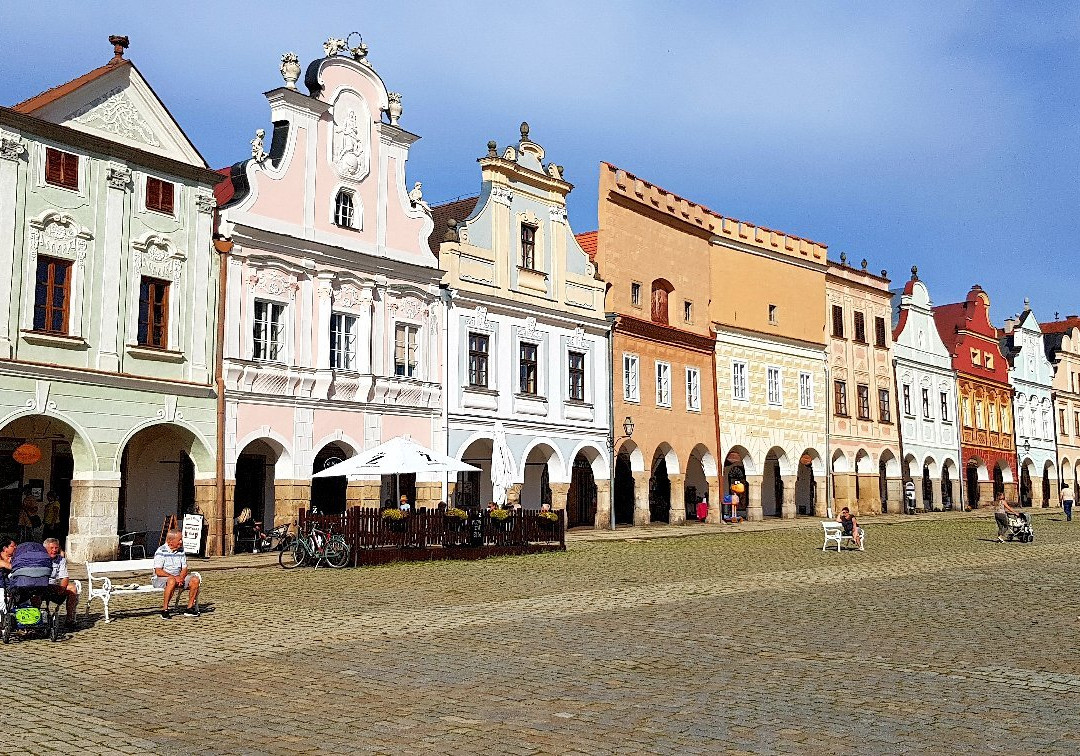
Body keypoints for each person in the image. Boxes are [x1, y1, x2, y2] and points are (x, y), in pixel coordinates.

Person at [153, 529, 200, 619]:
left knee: (195, 580)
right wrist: (175, 578)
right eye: (179, 540)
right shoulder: (161, 551)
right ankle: (165, 610)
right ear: (170, 541)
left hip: (178, 577)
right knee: (171, 581)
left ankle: (189, 608)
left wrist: (181, 578)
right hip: (162, 578)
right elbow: (158, 571)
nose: (181, 542)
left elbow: (184, 568)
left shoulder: (181, 551)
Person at [42, 537, 77, 627]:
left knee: (72, 588)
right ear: (45, 549)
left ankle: (69, 618)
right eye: (51, 548)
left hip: (53, 585)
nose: (54, 550)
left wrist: (61, 589)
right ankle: (35, 619)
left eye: (56, 548)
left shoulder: (61, 560)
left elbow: (64, 577)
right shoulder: (40, 559)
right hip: (40, 584)